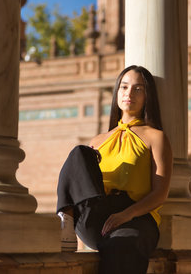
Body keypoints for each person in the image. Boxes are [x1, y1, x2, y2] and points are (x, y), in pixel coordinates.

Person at [56, 65, 172, 274]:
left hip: (137, 218)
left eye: (138, 89)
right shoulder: (98, 140)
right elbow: (83, 180)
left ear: (148, 96)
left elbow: (160, 193)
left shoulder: (156, 137)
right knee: (79, 153)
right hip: (98, 214)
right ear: (117, 92)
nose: (129, 93)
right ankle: (66, 220)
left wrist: (126, 214)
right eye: (124, 87)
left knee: (122, 245)